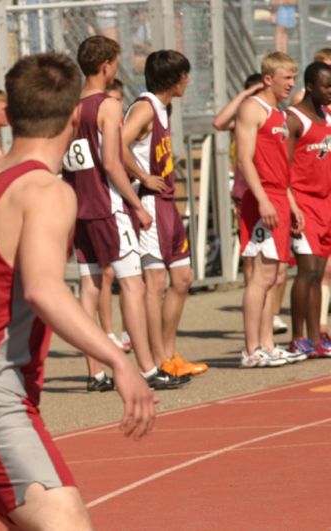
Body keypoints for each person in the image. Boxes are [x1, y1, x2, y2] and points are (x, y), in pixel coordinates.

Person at [0, 52, 157, 531]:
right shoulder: (46, 191)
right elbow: (45, 293)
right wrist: (118, 359)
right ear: (75, 115)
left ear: (10, 111)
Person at [63, 36, 187, 391]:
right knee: (132, 284)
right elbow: (112, 162)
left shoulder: (70, 106)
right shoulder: (108, 105)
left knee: (90, 285)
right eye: (115, 63)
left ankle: (95, 371)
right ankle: (147, 369)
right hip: (108, 204)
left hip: (78, 203)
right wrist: (136, 204)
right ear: (106, 66)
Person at [121, 50, 208, 378]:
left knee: (183, 279)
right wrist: (143, 178)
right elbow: (117, 143)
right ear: (174, 78)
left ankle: (170, 352)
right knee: (155, 283)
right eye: (185, 75)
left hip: (167, 202)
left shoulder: (163, 107)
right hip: (150, 202)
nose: (188, 80)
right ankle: (158, 360)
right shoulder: (144, 108)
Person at [235, 52, 302, 367]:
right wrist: (262, 199)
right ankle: (251, 349)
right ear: (268, 78)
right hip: (262, 198)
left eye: (293, 77)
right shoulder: (253, 109)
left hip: (279, 196)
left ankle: (267, 344)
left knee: (276, 275)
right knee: (261, 275)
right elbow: (244, 159)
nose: (291, 83)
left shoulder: (280, 113)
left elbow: (281, 166)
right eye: (286, 78)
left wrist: (291, 204)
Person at [285, 61, 331, 359]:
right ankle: (298, 336)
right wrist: (291, 206)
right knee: (306, 272)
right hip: (303, 202)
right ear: (311, 86)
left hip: (326, 202)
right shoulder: (294, 118)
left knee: (319, 275)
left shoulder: (327, 116)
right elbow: (283, 166)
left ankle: (317, 337)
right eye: (326, 86)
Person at [98, 77, 131, 354]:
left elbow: (123, 154)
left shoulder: (119, 123)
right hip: (105, 202)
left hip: (121, 197)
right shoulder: (98, 123)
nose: (116, 105)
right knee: (107, 274)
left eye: (119, 100)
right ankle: (107, 331)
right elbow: (113, 160)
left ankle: (126, 330)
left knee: (126, 274)